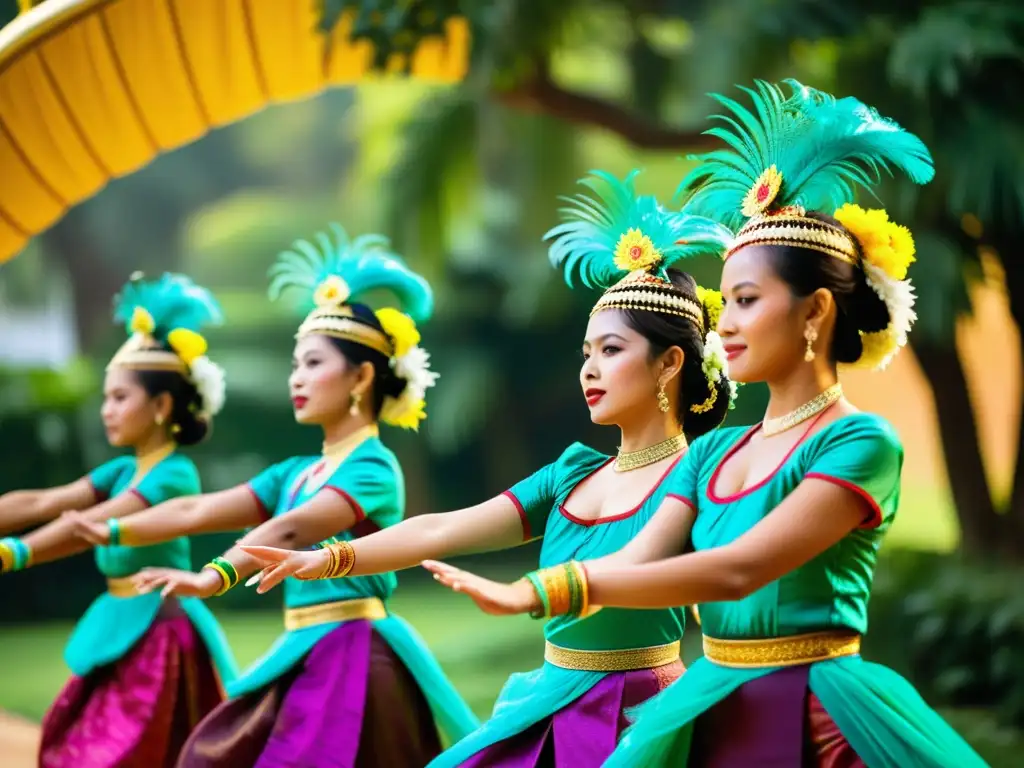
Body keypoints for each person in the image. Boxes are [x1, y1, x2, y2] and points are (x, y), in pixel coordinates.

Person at [417, 81, 989, 767]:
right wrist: (553, 589)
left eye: (746, 300)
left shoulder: (860, 442)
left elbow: (737, 570)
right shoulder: (712, 450)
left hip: (819, 713)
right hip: (710, 703)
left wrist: (544, 589)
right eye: (730, 302)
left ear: (814, 312)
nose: (729, 323)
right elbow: (638, 558)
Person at [240, 172, 736, 767]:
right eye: (585, 353)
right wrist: (329, 559)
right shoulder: (571, 474)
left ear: (670, 363)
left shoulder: (699, 473)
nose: (589, 370)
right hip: (550, 702)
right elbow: (441, 528)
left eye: (610, 351)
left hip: (639, 720)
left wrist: (522, 594)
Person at [68, 224, 477, 767]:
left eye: (312, 363)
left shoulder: (372, 466)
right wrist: (114, 529)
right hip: (304, 653)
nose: (296, 379)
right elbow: (196, 509)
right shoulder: (295, 472)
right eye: (295, 365)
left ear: (360, 377)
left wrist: (212, 577)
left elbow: (291, 529)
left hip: (352, 658)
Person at [0, 272, 236, 768]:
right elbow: (45, 502)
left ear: (161, 405)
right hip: (120, 625)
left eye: (120, 398)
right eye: (107, 398)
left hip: (160, 636)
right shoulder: (124, 469)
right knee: (74, 744)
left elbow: (96, 522)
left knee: (123, 754)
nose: (107, 410)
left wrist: (14, 552)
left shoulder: (173, 473)